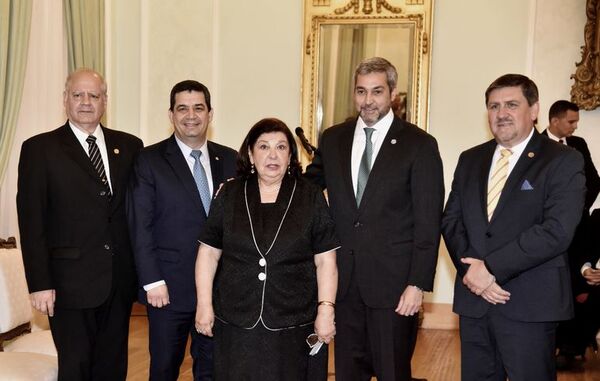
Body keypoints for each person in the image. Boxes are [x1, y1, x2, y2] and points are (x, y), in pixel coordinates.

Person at [305, 57, 444, 381]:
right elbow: (308, 188)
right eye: (361, 91)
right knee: (347, 373)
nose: (368, 101)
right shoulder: (333, 138)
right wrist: (258, 184)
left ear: (393, 93)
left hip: (394, 288)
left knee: (393, 372)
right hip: (344, 283)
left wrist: (417, 284)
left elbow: (428, 220)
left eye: (377, 91)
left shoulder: (419, 144)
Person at [442, 74, 586, 381]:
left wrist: (491, 268)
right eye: (494, 106)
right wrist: (472, 273)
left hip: (529, 304)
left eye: (511, 104)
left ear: (534, 110)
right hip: (474, 302)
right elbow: (452, 221)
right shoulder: (470, 159)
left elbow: (556, 231)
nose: (501, 113)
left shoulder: (563, 160)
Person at [16, 68, 143, 380]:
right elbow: (32, 221)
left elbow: (141, 210)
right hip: (67, 284)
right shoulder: (39, 149)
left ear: (104, 102)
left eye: (94, 95)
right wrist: (40, 283)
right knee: (76, 366)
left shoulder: (130, 147)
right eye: (78, 95)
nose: (86, 102)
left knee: (113, 366)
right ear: (65, 100)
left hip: (118, 281)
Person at [195, 118, 339, 380]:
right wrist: (204, 304)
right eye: (263, 147)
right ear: (250, 153)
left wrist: (326, 308)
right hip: (237, 320)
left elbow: (325, 260)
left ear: (290, 156)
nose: (272, 155)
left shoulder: (310, 196)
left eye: (281, 147)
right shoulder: (229, 194)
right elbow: (208, 253)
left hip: (293, 322)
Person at [127, 80, 237, 380]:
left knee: (212, 370)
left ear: (210, 114)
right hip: (168, 290)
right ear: (171, 115)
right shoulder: (149, 161)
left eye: (198, 108)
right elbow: (140, 225)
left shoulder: (229, 159)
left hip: (218, 290)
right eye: (183, 108)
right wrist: (152, 281)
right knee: (164, 369)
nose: (191, 115)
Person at [541, 100, 600, 368]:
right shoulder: (537, 146)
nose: (575, 126)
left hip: (576, 229)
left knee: (575, 286)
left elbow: (594, 181)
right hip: (545, 230)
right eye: (571, 121)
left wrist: (576, 209)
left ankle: (570, 347)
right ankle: (546, 344)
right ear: (555, 120)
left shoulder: (579, 145)